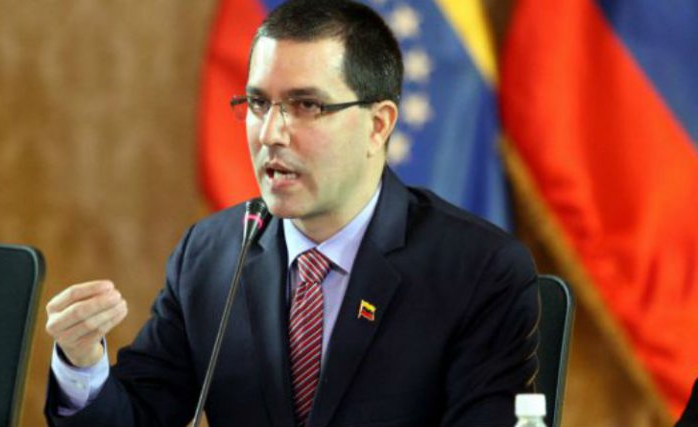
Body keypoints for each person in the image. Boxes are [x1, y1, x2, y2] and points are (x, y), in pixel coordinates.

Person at [44, 1, 539, 426]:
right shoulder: (211, 255)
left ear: (378, 125)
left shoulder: (477, 270)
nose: (271, 133)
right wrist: (83, 364)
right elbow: (140, 417)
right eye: (259, 103)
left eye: (306, 106)